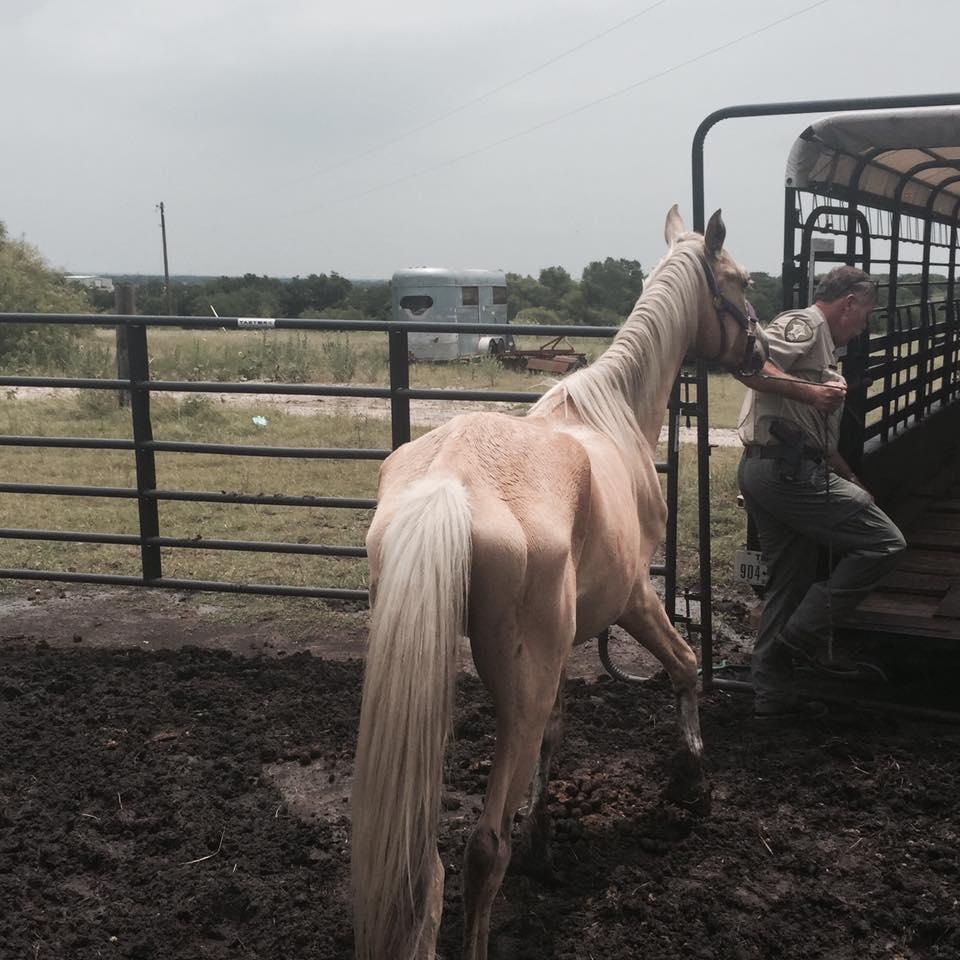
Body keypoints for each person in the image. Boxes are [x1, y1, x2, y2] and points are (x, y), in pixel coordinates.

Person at [736, 266, 906, 722]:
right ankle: (806, 634)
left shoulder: (827, 349)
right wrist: (811, 392)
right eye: (865, 314)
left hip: (776, 469)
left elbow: (821, 441)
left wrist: (851, 478)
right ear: (849, 302)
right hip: (783, 472)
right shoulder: (803, 325)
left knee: (787, 583)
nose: (865, 325)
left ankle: (771, 698)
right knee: (886, 542)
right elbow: (751, 364)